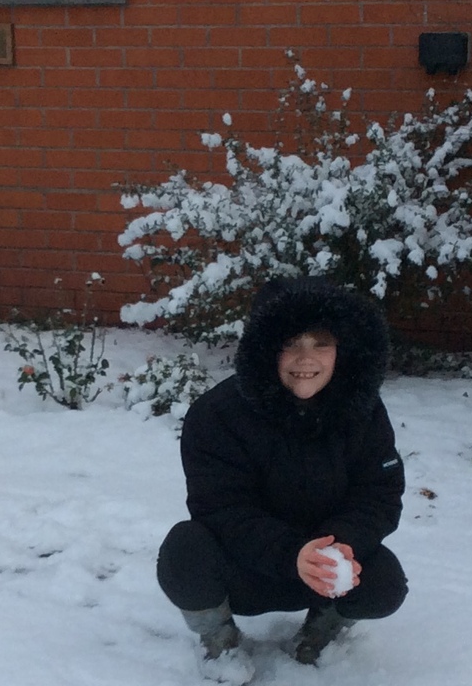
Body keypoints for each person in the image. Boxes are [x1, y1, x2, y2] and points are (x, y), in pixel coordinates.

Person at [157, 277, 408, 666]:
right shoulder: (217, 414)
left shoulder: (363, 411)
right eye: (290, 343)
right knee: (183, 553)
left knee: (385, 582)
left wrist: (340, 545)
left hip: (324, 569)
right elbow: (220, 507)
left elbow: (379, 494)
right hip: (246, 568)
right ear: (264, 348)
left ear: (342, 349)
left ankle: (321, 630)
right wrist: (292, 554)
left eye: (321, 343)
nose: (306, 359)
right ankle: (219, 638)